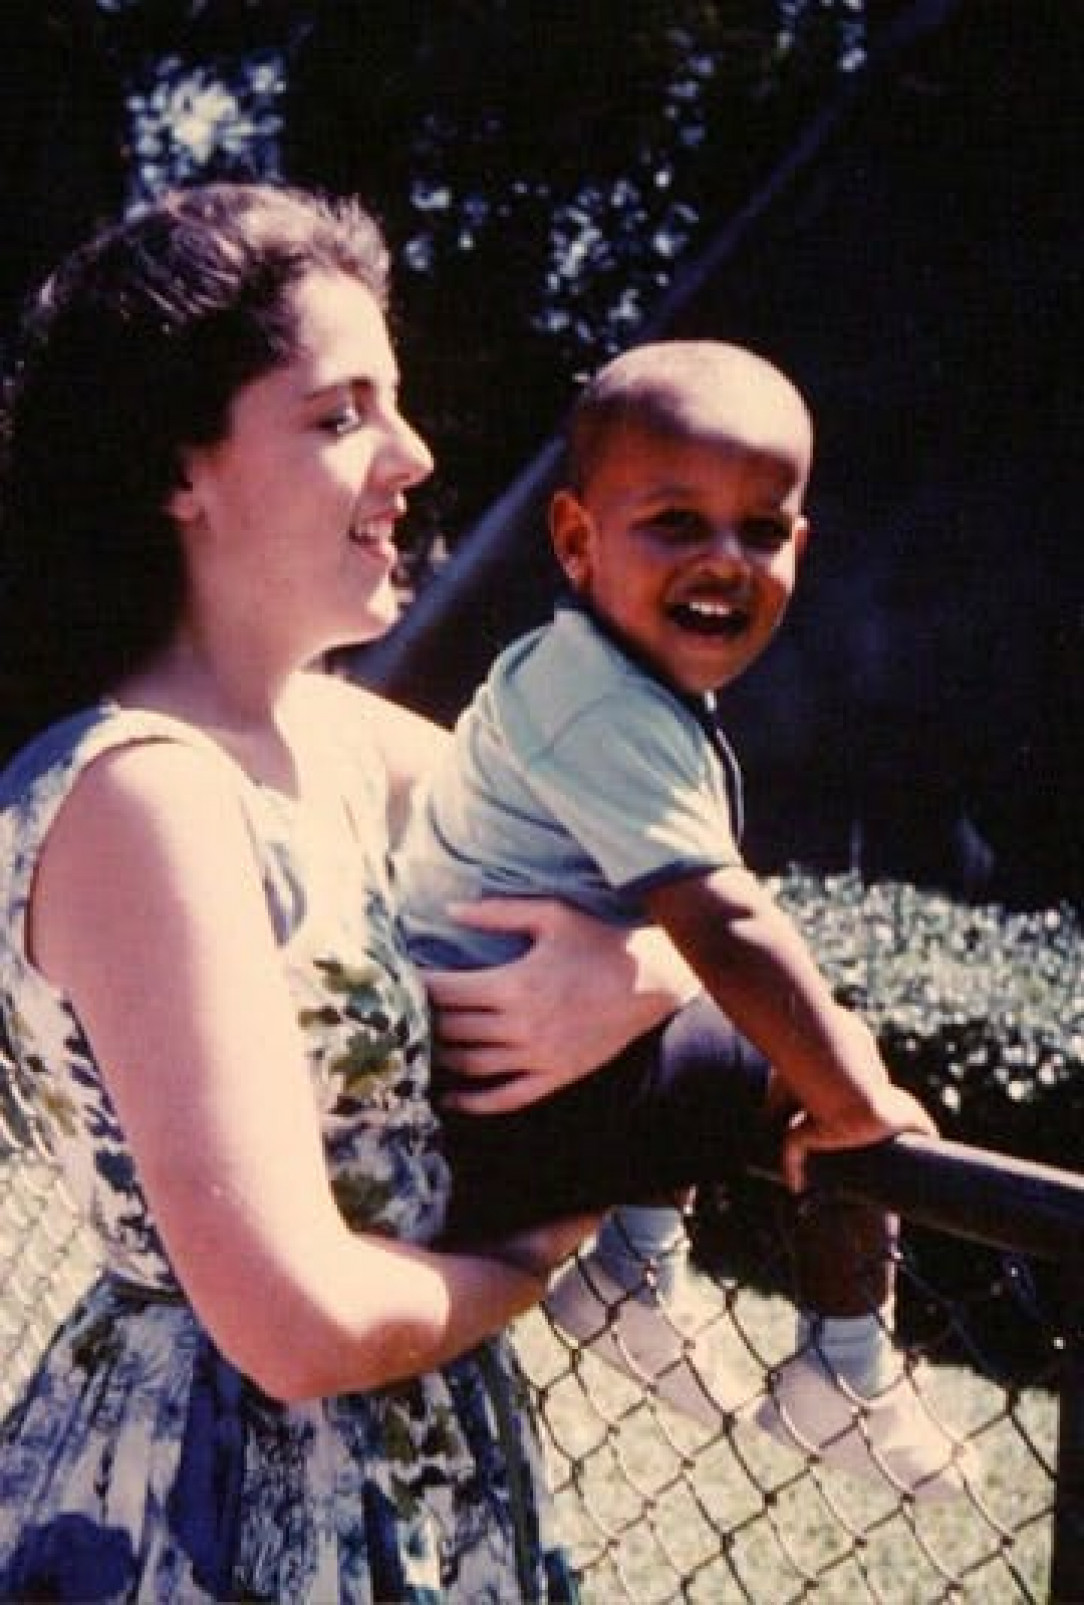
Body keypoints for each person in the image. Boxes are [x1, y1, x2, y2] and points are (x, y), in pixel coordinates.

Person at [0, 181, 698, 1602]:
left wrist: (633, 975)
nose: (413, 453)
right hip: (206, 1509)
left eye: (396, 403)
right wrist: (537, 1245)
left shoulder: (344, 741)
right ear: (176, 470)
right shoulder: (144, 795)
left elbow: (698, 885)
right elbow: (297, 1321)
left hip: (427, 1475)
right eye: (340, 415)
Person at [396, 340, 978, 1497]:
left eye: (761, 531)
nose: (725, 559)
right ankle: (842, 1378)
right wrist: (857, 1105)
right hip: (507, 1093)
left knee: (704, 1008)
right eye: (675, 521)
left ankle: (633, 1268)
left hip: (485, 1078)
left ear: (798, 550)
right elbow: (725, 923)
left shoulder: (583, 675)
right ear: (575, 540)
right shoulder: (604, 706)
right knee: (819, 1052)